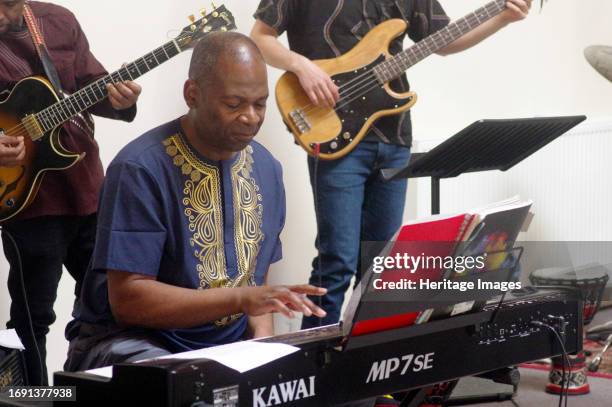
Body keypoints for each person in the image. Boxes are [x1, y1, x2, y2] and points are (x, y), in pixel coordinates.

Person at [251, 0, 533, 329]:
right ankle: (316, 364)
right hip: (333, 134)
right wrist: (301, 66)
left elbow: (443, 40)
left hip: (394, 136)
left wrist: (502, 18)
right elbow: (260, 36)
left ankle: (368, 358)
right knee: (337, 262)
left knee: (381, 265)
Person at [64, 32, 326, 372]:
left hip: (223, 349)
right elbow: (129, 299)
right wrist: (241, 299)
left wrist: (262, 355)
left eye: (259, 104)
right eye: (234, 104)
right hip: (132, 343)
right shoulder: (140, 169)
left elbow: (257, 282)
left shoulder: (266, 169)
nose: (250, 117)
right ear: (192, 94)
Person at [0, 0, 141, 385]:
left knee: (109, 304)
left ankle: (95, 390)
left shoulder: (58, 21)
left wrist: (120, 100)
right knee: (31, 318)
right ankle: (29, 399)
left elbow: (90, 86)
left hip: (87, 188)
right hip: (28, 200)